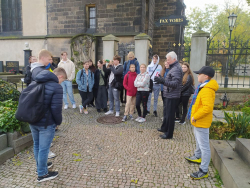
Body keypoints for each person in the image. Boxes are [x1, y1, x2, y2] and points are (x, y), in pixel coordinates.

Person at [29, 50, 66, 182]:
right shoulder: (56, 87)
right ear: (60, 77)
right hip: (46, 123)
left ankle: (40, 167)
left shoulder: (35, 80)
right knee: (44, 149)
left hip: (33, 120)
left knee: (37, 146)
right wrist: (58, 122)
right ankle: (42, 174)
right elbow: (56, 109)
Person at [185, 66, 219, 180]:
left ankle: (203, 170)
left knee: (205, 146)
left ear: (206, 76)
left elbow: (207, 108)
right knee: (198, 140)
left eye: (199, 74)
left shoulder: (207, 89)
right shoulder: (202, 87)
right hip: (198, 121)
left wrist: (195, 116)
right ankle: (197, 156)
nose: (197, 75)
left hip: (201, 121)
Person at [154, 51, 183, 139]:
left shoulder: (176, 69)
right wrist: (161, 79)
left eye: (168, 59)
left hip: (172, 95)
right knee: (167, 113)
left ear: (174, 59)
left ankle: (169, 134)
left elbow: (175, 84)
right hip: (169, 94)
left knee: (170, 115)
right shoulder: (173, 67)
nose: (167, 61)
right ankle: (165, 128)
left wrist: (163, 81)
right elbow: (170, 80)